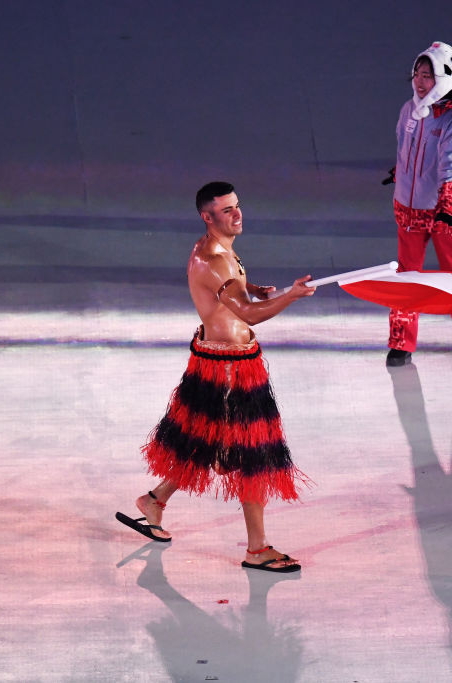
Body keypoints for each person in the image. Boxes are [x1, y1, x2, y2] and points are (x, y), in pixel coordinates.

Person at [116, 181, 314, 573]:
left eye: (238, 206)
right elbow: (249, 315)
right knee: (252, 455)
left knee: (204, 442)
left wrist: (251, 288)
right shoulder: (216, 259)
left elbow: (226, 293)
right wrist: (289, 297)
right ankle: (257, 549)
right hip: (230, 370)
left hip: (215, 360)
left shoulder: (211, 249)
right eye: (227, 210)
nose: (237, 214)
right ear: (207, 217)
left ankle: (154, 501)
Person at [384, 41, 452, 367]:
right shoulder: (409, 110)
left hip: (447, 212)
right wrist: (399, 173)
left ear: (443, 76)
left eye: (428, 75)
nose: (419, 81)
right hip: (410, 207)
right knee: (407, 276)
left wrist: (446, 204)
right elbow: (406, 151)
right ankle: (401, 342)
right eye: (417, 73)